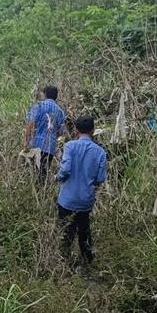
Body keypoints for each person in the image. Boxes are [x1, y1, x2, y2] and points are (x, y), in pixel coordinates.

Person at [56, 115, 107, 269]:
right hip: (86, 200)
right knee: (84, 230)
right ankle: (88, 263)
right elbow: (100, 178)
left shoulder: (70, 146)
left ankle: (65, 262)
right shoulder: (100, 152)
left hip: (67, 199)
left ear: (76, 130)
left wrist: (57, 177)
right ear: (92, 130)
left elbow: (65, 170)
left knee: (66, 231)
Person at [25, 85, 66, 184]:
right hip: (50, 146)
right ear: (56, 96)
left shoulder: (38, 106)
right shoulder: (60, 111)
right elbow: (60, 132)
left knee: (31, 172)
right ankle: (42, 193)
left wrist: (26, 141)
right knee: (43, 173)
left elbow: (30, 124)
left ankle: (34, 194)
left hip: (35, 144)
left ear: (45, 94)